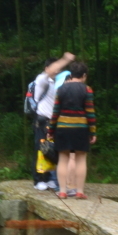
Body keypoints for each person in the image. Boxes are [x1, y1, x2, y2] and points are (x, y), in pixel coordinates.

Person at [48, 60, 97, 199]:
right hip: (81, 128)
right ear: (84, 75)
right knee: (81, 159)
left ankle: (63, 191)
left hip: (62, 127)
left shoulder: (61, 89)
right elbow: (90, 113)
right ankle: (79, 191)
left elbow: (55, 112)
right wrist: (92, 131)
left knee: (63, 159)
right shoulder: (87, 89)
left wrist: (51, 131)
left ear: (71, 74)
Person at [32, 52, 74, 190]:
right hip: (43, 120)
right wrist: (65, 59)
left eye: (59, 68)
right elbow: (49, 72)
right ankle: (39, 180)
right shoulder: (42, 80)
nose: (57, 70)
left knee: (54, 150)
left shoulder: (60, 82)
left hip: (55, 121)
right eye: (55, 67)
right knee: (41, 149)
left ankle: (51, 178)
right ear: (47, 69)